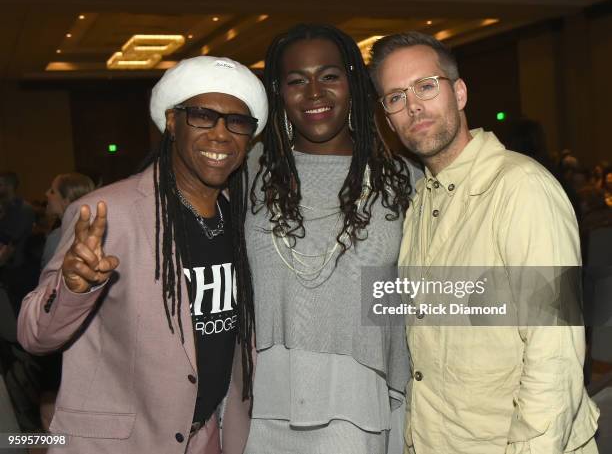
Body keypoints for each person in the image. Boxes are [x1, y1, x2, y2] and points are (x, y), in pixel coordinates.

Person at [17, 55, 267, 454]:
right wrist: (72, 288)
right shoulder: (107, 212)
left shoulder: (243, 222)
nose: (221, 134)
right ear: (172, 122)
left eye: (237, 123)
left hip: (209, 438)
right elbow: (34, 335)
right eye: (203, 116)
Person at [369, 31, 600, 454]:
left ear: (458, 92)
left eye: (425, 86)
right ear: (388, 118)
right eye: (395, 97)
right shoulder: (421, 201)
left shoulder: (521, 188)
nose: (413, 105)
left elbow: (555, 353)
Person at [244, 24, 421, 454]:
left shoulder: (403, 181)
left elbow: (425, 299)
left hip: (362, 405)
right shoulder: (248, 173)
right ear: (279, 93)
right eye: (296, 80)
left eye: (328, 76)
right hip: (259, 407)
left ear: (352, 83)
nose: (314, 92)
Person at [41, 173, 96, 269]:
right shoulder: (92, 232)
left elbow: (48, 281)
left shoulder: (58, 238)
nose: (46, 193)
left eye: (53, 191)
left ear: (67, 201)